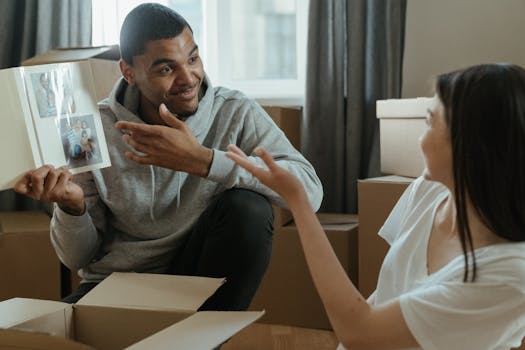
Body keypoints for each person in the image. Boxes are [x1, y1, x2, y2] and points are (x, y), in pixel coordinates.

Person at [14, 3, 323, 311]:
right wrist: (72, 207)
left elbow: (310, 193)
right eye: (166, 68)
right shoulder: (92, 127)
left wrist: (205, 161)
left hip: (200, 283)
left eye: (193, 58)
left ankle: (201, 335)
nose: (188, 78)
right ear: (129, 72)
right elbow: (76, 258)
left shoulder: (234, 112)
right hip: (119, 284)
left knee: (249, 208)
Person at [227, 63, 525, 349]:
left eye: (429, 121)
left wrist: (299, 203)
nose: (420, 139)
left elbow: (360, 331)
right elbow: (384, 296)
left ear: (469, 144)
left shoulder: (511, 277)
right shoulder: (429, 189)